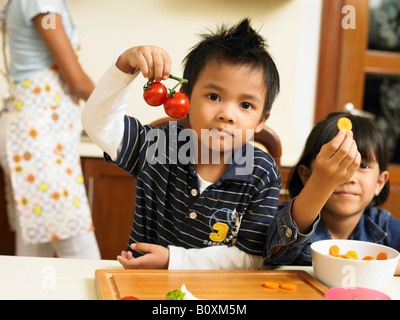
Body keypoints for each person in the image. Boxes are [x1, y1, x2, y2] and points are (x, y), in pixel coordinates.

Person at [82, 19, 348, 270]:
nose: (227, 114)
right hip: (145, 286)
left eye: (245, 105)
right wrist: (126, 65)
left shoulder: (260, 171)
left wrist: (173, 260)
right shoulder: (159, 146)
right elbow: (98, 124)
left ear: (261, 120)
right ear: (186, 99)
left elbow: (250, 257)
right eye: (213, 96)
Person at [0, 0, 100, 259]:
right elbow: (77, 81)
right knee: (78, 248)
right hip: (36, 139)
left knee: (35, 245)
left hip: (33, 135)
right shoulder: (41, 2)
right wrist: (117, 112)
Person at [286, 112, 400, 274]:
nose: (348, 177)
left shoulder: (386, 227)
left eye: (364, 166)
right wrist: (319, 184)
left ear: (380, 183)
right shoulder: (290, 219)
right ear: (307, 175)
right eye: (338, 162)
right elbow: (276, 251)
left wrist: (384, 266)